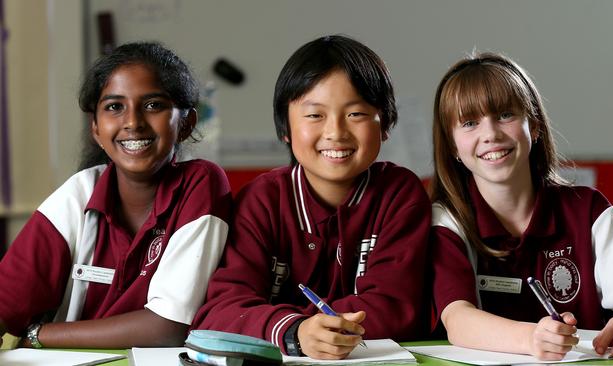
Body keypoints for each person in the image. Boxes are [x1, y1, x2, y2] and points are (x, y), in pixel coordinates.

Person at [191, 35, 431, 360]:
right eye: (315, 115)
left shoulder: (400, 194)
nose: (336, 132)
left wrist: (310, 326)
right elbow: (220, 310)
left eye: (356, 114)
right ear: (285, 130)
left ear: (385, 123)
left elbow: (397, 307)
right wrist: (295, 330)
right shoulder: (262, 200)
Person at [0, 42, 232, 349]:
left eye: (153, 105)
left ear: (186, 124)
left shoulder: (200, 184)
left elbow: (167, 326)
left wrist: (39, 335)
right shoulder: (78, 193)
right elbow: (8, 302)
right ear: (95, 127)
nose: (133, 122)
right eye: (114, 107)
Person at [430, 51, 613, 360]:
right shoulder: (448, 218)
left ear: (534, 127)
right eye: (469, 123)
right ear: (452, 146)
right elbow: (458, 320)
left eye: (505, 115)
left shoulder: (588, 210)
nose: (490, 134)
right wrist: (533, 338)